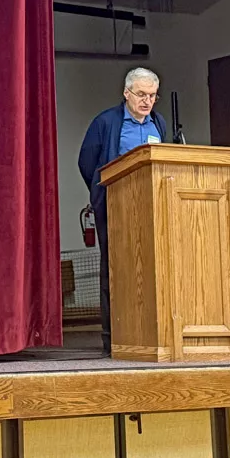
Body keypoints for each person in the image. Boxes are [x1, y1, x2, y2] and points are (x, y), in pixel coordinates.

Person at [78, 67, 166, 354]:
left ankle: (150, 333)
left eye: (152, 96)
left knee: (153, 267)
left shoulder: (159, 123)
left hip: (153, 207)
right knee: (115, 269)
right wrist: (104, 192)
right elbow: (87, 163)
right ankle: (113, 336)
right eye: (141, 94)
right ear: (126, 93)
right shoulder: (106, 122)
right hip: (115, 207)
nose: (147, 101)